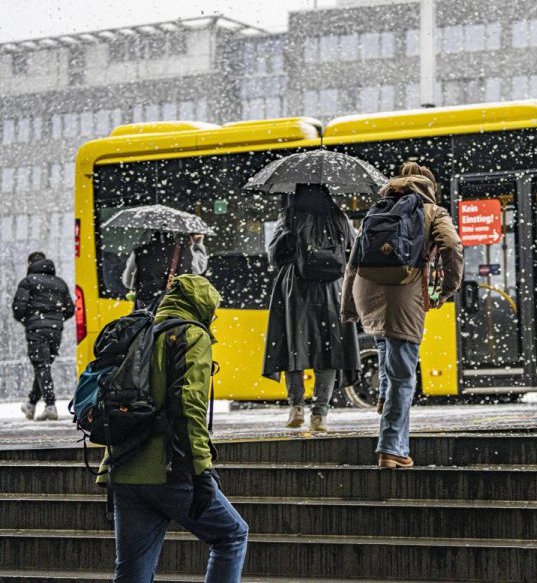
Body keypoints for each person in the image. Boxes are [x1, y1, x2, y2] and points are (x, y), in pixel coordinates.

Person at [98, 274, 248, 582]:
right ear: (202, 305)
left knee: (132, 570)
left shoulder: (140, 331)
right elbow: (188, 406)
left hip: (124, 468)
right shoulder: (191, 334)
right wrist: (201, 470)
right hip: (167, 467)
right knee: (231, 535)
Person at [341, 162, 463, 467]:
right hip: (402, 294)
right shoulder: (433, 211)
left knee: (387, 354)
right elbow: (452, 245)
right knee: (403, 377)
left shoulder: (377, 209)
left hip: (366, 292)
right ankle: (391, 447)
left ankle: (386, 401)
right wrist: (448, 287)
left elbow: (353, 263)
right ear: (429, 186)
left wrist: (348, 306)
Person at [263, 185, 360, 432]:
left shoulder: (289, 216)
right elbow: (353, 251)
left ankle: (296, 406)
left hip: (295, 287)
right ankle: (320, 415)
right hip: (331, 289)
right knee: (329, 350)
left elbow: (274, 256)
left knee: (294, 345)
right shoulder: (339, 217)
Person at [13, 252, 75, 421]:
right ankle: (31, 404)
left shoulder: (27, 282)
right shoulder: (60, 283)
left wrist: (29, 321)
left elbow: (18, 309)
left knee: (41, 366)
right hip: (55, 330)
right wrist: (56, 320)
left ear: (30, 264)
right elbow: (70, 309)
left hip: (36, 328)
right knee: (43, 366)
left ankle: (50, 406)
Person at [122, 231, 208, 309]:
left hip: (145, 308)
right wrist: (197, 244)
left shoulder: (139, 251)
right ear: (174, 233)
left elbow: (128, 282)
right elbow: (200, 268)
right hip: (176, 307)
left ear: (151, 232)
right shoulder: (185, 251)